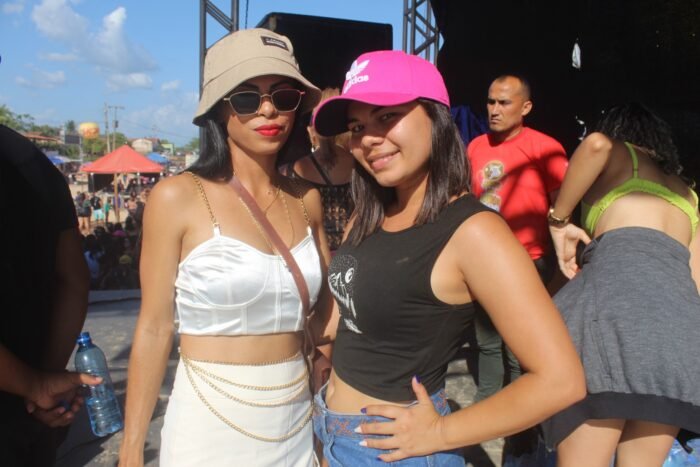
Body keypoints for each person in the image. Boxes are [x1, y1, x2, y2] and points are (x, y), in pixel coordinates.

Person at [311, 50, 585, 465]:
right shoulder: (368, 214)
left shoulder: (474, 232)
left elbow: (561, 380)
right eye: (357, 126)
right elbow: (344, 317)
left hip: (392, 452)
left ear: (436, 118)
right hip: (329, 430)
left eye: (387, 116)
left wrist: (442, 431)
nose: (368, 138)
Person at [118, 28, 331, 467]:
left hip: (294, 423)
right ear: (220, 108)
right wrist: (132, 447)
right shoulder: (177, 197)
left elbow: (327, 311)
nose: (268, 110)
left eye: (283, 96)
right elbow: (155, 327)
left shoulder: (306, 198)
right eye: (248, 98)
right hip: (207, 428)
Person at [541, 103, 700, 467]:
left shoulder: (623, 156)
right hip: (678, 343)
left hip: (610, 326)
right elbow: (695, 283)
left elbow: (596, 145)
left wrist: (558, 219)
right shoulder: (691, 198)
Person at [0, 124, 99, 466]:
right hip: (29, 419)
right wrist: (44, 380)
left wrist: (37, 386)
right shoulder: (29, 159)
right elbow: (73, 279)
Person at [466, 74, 569, 402]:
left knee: (518, 346)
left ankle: (522, 416)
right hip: (482, 260)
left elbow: (564, 206)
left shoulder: (546, 148)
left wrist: (564, 259)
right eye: (490, 101)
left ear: (525, 107)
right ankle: (487, 407)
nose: (494, 110)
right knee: (486, 343)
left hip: (529, 260)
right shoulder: (475, 146)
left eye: (504, 103)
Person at [283, 87, 355, 252]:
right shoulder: (366, 168)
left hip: (314, 258)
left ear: (312, 130)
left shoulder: (289, 172)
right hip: (357, 256)